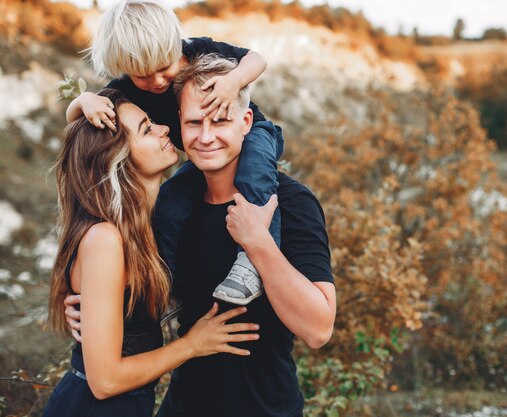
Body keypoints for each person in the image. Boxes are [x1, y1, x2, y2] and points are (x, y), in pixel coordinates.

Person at [66, 55, 337, 417]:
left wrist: (258, 242)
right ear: (178, 124)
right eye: (194, 122)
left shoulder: (289, 202)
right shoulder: (170, 209)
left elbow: (318, 330)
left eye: (220, 120)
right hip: (182, 405)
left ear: (246, 122)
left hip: (264, 408)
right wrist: (92, 305)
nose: (206, 136)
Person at [45, 89, 260, 417]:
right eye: (147, 129)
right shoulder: (105, 238)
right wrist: (192, 345)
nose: (164, 129)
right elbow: (105, 380)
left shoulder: (148, 226)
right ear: (115, 157)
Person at [66, 0, 279, 305]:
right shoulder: (125, 88)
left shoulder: (198, 50)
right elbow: (74, 121)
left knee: (257, 181)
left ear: (174, 47)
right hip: (202, 158)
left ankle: (251, 265)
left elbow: (256, 59)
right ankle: (164, 274)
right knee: (171, 199)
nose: (156, 81)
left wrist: (234, 81)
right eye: (142, 75)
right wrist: (84, 101)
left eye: (164, 68)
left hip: (253, 136)